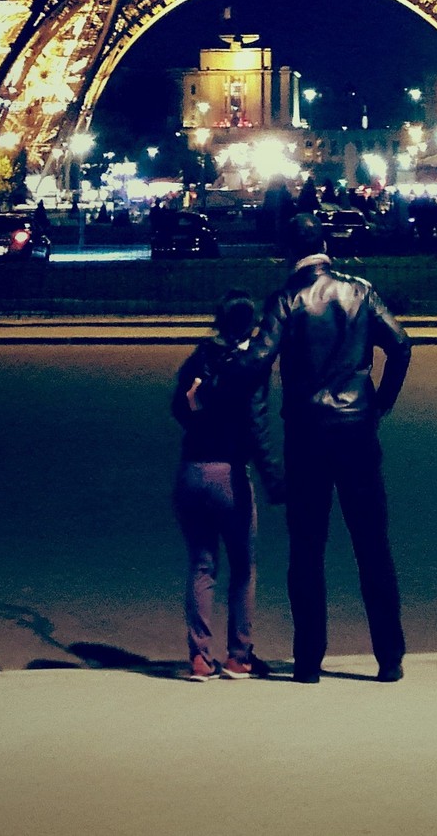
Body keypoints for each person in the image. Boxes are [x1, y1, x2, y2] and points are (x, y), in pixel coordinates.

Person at [248, 216, 411, 684]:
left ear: (288, 250)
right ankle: (389, 658)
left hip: (307, 434)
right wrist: (379, 402)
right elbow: (400, 345)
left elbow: (261, 358)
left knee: (307, 549)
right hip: (357, 431)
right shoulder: (359, 291)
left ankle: (308, 662)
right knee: (372, 545)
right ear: (324, 246)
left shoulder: (286, 299)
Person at [171, 291, 283, 680]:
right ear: (251, 326)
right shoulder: (250, 366)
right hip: (229, 475)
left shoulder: (199, 358)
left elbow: (178, 408)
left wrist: (200, 418)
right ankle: (240, 655)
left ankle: (200, 658)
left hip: (191, 470)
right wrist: (272, 477)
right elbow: (255, 425)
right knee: (243, 567)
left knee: (202, 563)